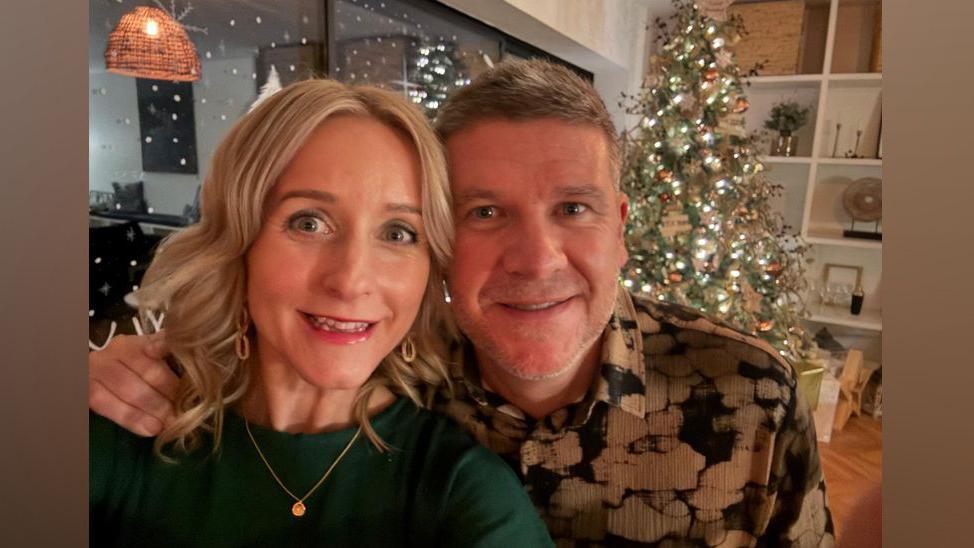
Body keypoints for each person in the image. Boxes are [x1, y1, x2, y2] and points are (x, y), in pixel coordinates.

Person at [90, 60, 834, 547]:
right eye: (485, 212)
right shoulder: (396, 366)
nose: (537, 259)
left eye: (574, 208)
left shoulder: (749, 393)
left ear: (622, 228)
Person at [88, 79, 553, 547]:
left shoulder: (462, 489)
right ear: (240, 243)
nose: (351, 280)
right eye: (308, 223)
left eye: (398, 233)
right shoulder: (126, 419)